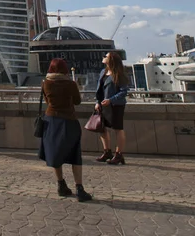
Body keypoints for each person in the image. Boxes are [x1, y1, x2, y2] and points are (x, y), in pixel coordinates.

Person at [39, 58, 92, 202]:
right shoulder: (70, 84)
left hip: (51, 121)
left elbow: (47, 101)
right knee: (75, 154)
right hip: (69, 121)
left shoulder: (46, 83)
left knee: (56, 153)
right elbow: (77, 101)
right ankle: (79, 188)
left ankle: (61, 185)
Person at [95, 51, 129, 165]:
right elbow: (99, 90)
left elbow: (124, 92)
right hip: (103, 104)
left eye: (106, 56)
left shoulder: (119, 74)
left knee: (117, 129)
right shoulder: (103, 72)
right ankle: (107, 152)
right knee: (102, 128)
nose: (103, 57)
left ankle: (119, 154)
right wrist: (97, 102)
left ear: (112, 60)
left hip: (115, 105)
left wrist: (111, 100)